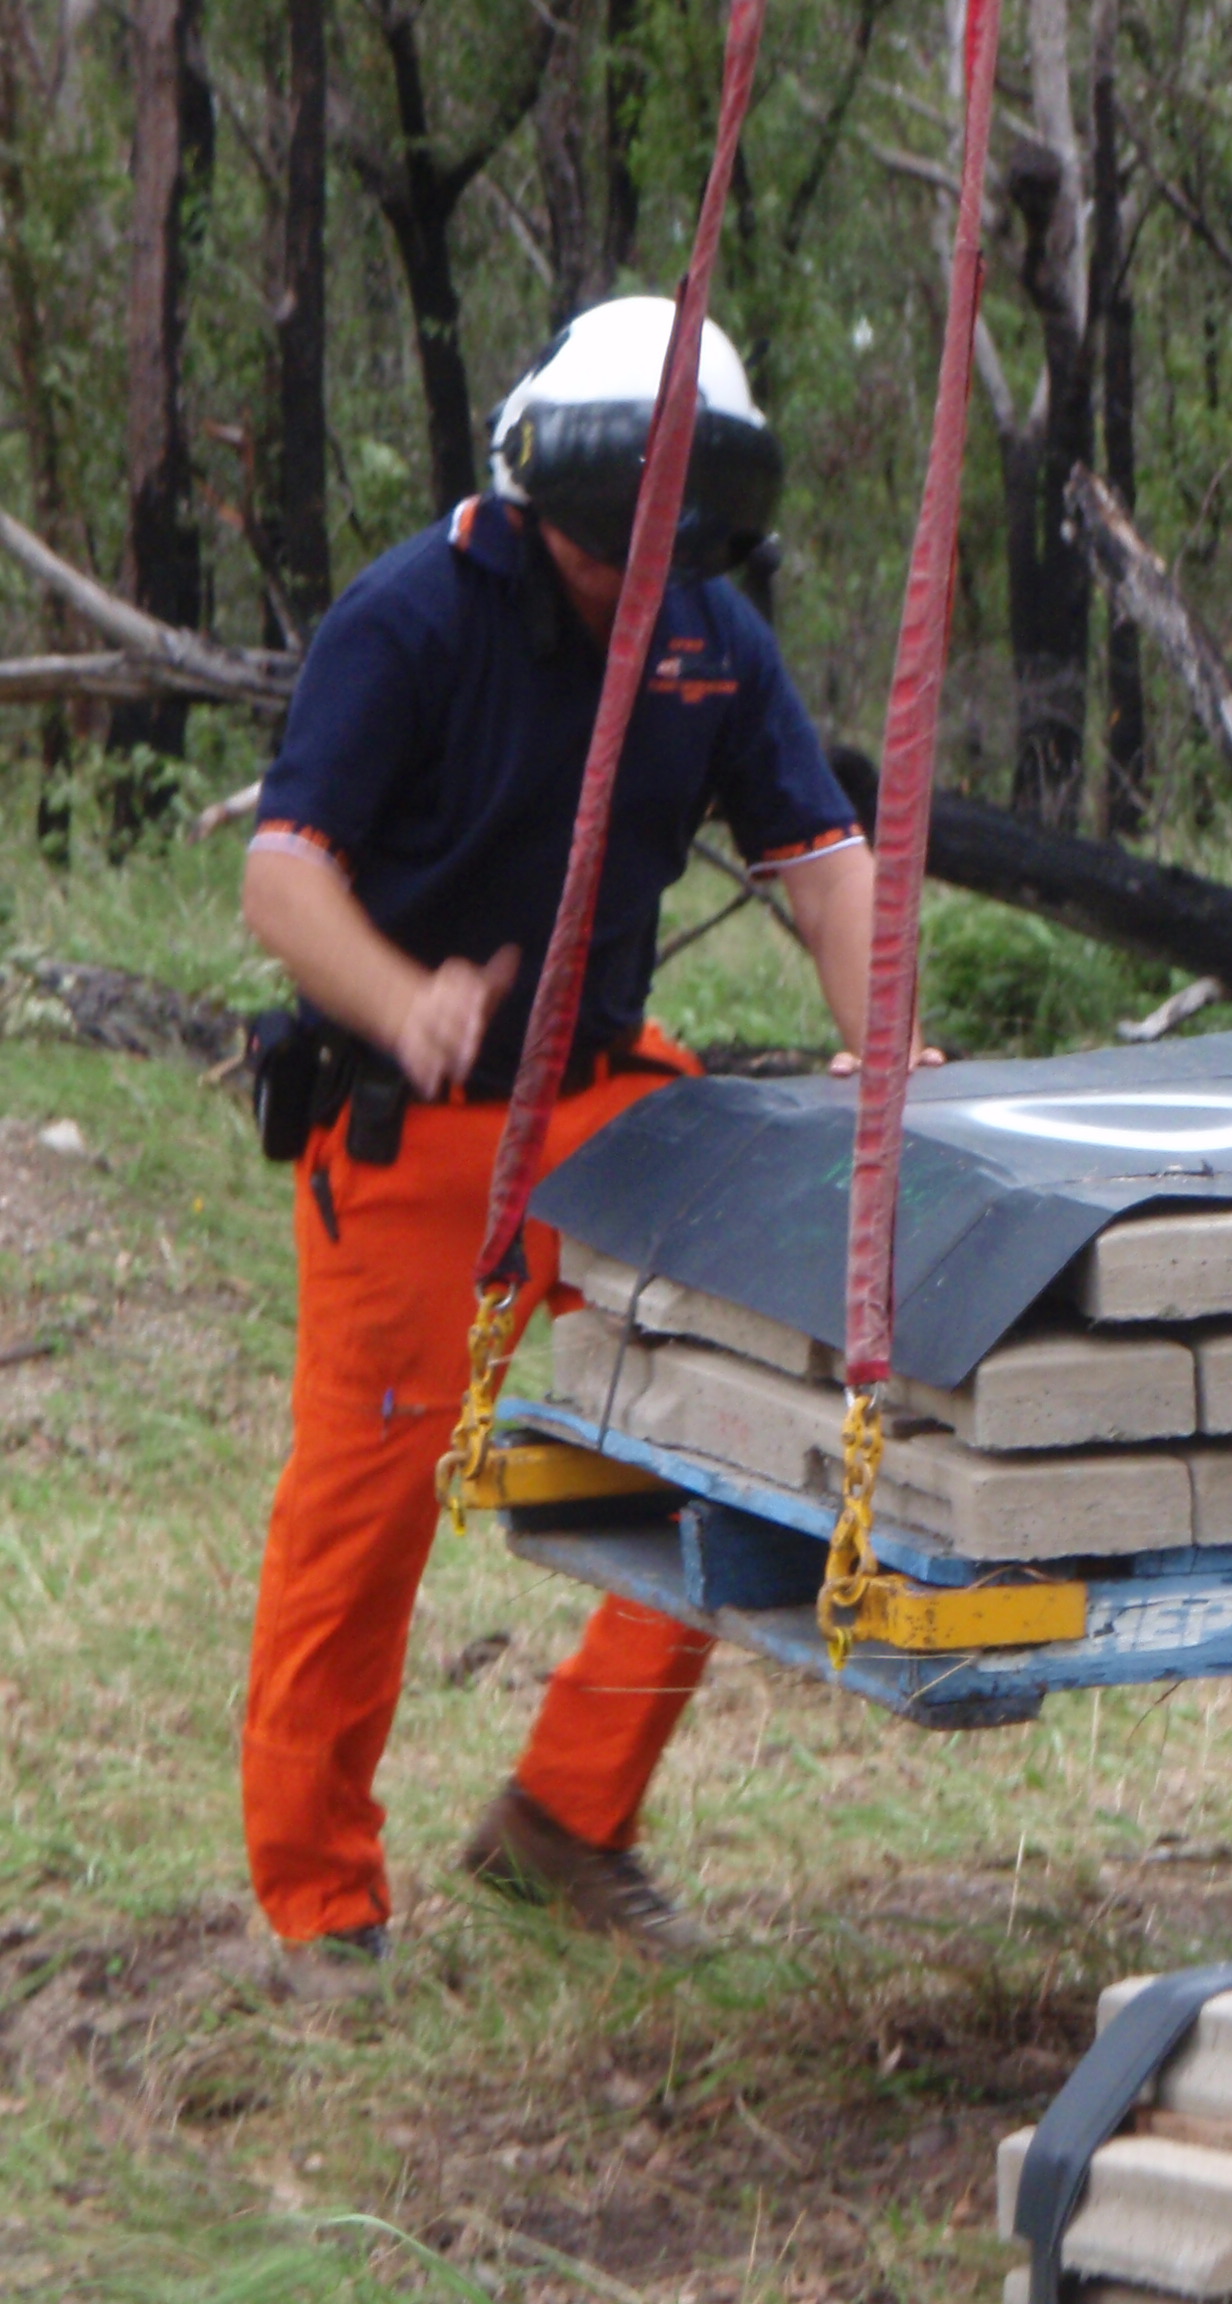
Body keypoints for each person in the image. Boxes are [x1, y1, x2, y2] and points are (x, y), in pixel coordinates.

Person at [238, 297, 891, 1976]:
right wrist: (399, 999)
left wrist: (879, 1034)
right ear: (537, 497)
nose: (629, 582)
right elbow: (283, 875)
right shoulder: (408, 622)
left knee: (751, 1432)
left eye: (665, 551)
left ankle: (565, 1823)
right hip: (413, 1138)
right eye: (605, 550)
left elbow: (818, 856)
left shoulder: (713, 636)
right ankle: (322, 1905)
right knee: (361, 1526)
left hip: (604, 1108)